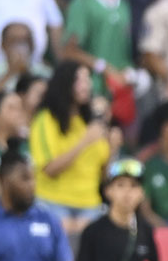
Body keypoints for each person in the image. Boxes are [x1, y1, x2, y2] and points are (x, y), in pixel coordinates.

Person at [29, 61, 119, 233]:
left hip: (90, 204)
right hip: (53, 202)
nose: (87, 85)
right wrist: (84, 142)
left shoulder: (90, 122)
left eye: (88, 80)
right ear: (65, 82)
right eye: (80, 80)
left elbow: (103, 176)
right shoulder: (45, 119)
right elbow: (50, 169)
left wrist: (113, 149)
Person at [75, 159, 161, 261]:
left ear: (142, 193)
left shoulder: (145, 229)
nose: (127, 193)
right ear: (108, 191)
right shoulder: (94, 232)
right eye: (120, 185)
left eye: (134, 186)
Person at [62, 0, 138, 98]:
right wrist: (104, 68)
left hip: (120, 92)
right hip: (92, 90)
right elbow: (69, 51)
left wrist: (127, 73)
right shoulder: (82, 2)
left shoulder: (123, 4)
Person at [0, 22, 51, 108]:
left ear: (33, 45)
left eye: (25, 41)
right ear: (3, 45)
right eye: (14, 41)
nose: (20, 46)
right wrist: (10, 73)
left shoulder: (45, 72)